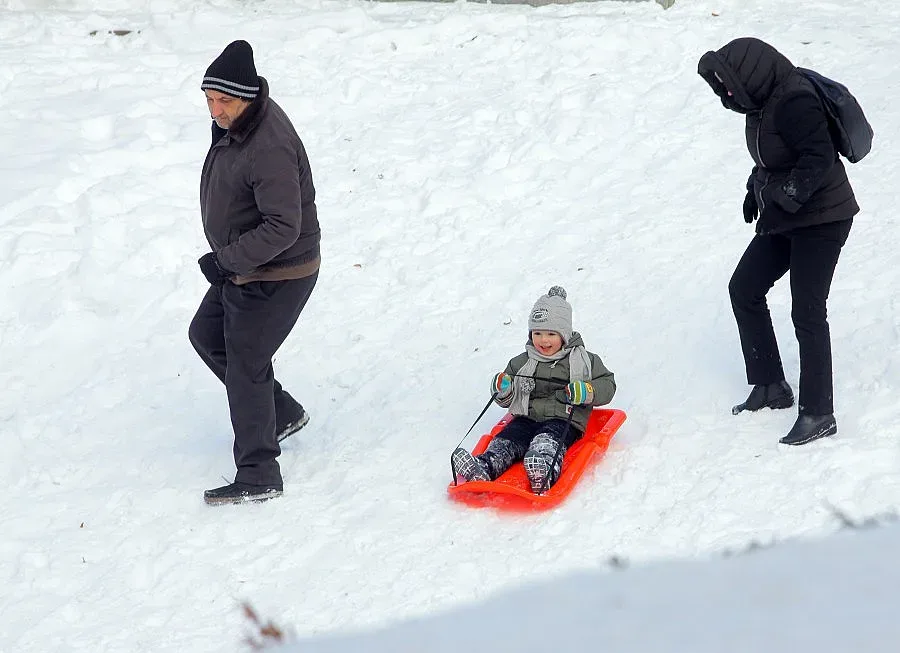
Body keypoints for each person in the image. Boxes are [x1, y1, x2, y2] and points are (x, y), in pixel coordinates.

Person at [698, 37, 859, 446]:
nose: (727, 92)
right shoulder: (761, 104)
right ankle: (771, 385)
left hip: (824, 217)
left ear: (750, 75)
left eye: (729, 83)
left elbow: (818, 158)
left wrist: (784, 198)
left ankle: (819, 412)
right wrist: (755, 189)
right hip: (789, 214)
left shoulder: (795, 101)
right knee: (744, 288)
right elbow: (773, 155)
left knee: (807, 309)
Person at [188, 40, 321, 505]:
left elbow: (284, 226)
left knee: (246, 364)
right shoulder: (240, 120)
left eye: (223, 101)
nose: (214, 110)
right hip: (246, 264)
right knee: (207, 334)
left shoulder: (268, 145)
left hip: (278, 272)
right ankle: (279, 413)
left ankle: (259, 472)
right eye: (209, 99)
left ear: (246, 97)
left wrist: (226, 261)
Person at [452, 287, 616, 494]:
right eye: (537, 333)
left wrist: (586, 391)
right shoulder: (522, 362)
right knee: (507, 439)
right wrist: (503, 389)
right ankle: (484, 466)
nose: (543, 340)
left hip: (563, 418)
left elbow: (608, 385)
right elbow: (508, 397)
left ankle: (544, 471)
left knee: (546, 442)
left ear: (564, 335)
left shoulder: (584, 361)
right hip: (527, 416)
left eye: (551, 334)